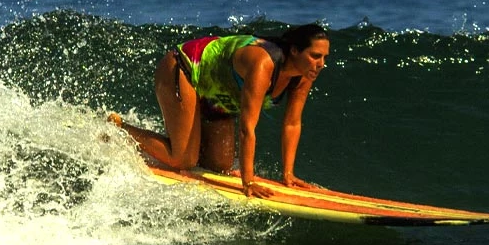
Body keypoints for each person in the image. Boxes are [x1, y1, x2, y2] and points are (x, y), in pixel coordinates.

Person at [111, 23, 331, 198]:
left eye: (324, 58)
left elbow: (292, 123)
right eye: (315, 56)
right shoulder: (263, 64)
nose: (321, 64)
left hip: (218, 94)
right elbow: (247, 128)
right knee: (182, 160)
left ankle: (187, 140)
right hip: (186, 69)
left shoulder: (303, 75)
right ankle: (119, 128)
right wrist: (249, 181)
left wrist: (288, 174)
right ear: (294, 51)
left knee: (220, 166)